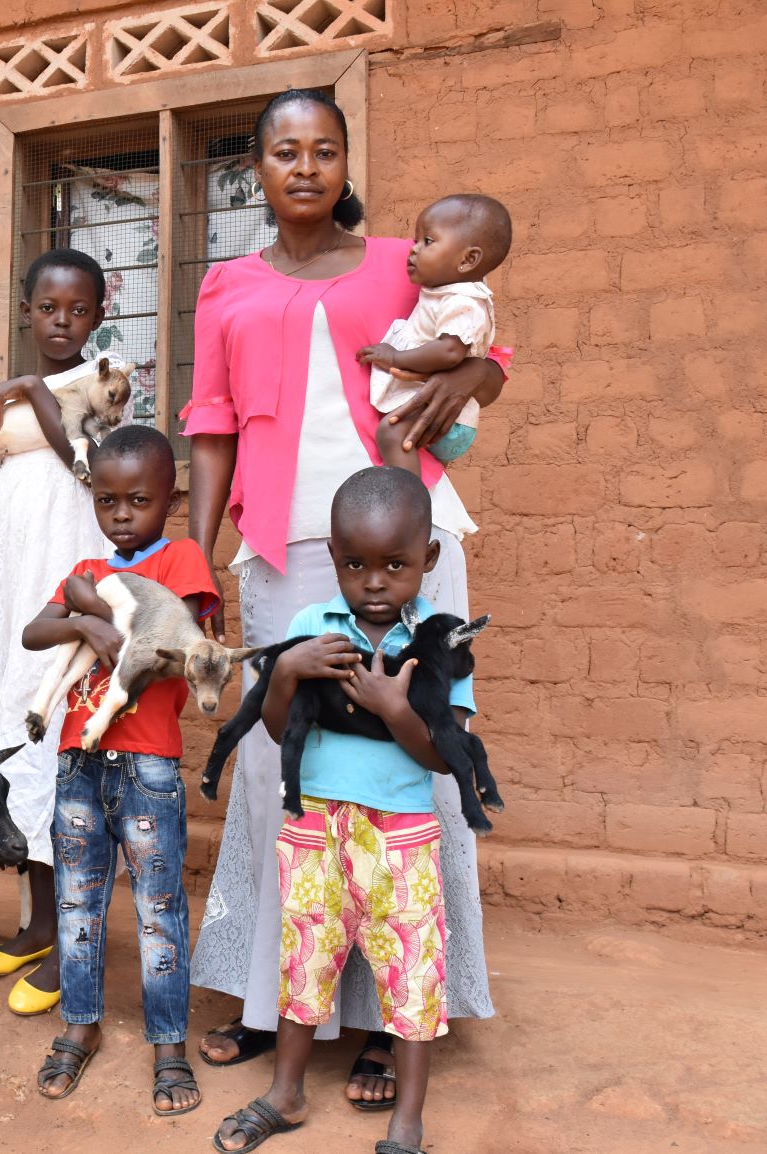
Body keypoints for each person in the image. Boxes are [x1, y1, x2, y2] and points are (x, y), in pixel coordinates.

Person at [182, 88, 503, 1109]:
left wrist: (480, 385)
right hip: (281, 547)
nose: (306, 167)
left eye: (325, 149)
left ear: (345, 159)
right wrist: (193, 563)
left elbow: (477, 348)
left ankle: (385, 1014)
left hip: (406, 546)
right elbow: (209, 427)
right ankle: (273, 995)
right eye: (285, 152)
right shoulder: (226, 283)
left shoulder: (396, 265)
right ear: (257, 169)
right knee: (285, 757)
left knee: (410, 749)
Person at [215, 467, 467, 1154]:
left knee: (412, 973)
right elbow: (273, 728)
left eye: (396, 564)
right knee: (305, 961)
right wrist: (288, 670)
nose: (375, 583)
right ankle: (286, 1092)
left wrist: (396, 709)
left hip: (401, 835)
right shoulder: (308, 627)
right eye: (355, 565)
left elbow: (447, 756)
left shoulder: (440, 643)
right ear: (332, 558)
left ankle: (407, 1124)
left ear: (429, 560)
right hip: (316, 827)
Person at [0, 248, 113, 1016]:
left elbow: (85, 468)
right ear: (28, 312)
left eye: (76, 309)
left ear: (98, 316)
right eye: (47, 308)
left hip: (65, 569)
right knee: (22, 747)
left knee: (62, 742)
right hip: (14, 579)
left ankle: (73, 940)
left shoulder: (101, 385)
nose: (61, 321)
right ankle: (38, 926)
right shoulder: (10, 401)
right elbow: (4, 477)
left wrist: (36, 390)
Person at [21, 425, 219, 1117]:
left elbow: (170, 646)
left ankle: (169, 1045)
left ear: (170, 496)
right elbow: (34, 631)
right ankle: (81, 1025)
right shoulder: (86, 566)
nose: (123, 514)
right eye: (108, 501)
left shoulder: (184, 562)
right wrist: (84, 623)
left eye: (138, 499)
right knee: (78, 904)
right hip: (77, 761)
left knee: (159, 910)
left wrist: (93, 606)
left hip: (147, 765)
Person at [359, 194, 513, 475]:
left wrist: (395, 356)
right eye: (416, 241)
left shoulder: (463, 300)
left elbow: (450, 351)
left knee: (392, 435)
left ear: (468, 260)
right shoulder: (444, 292)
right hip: (440, 412)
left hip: (447, 416)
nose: (413, 250)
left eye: (427, 242)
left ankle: (408, 504)